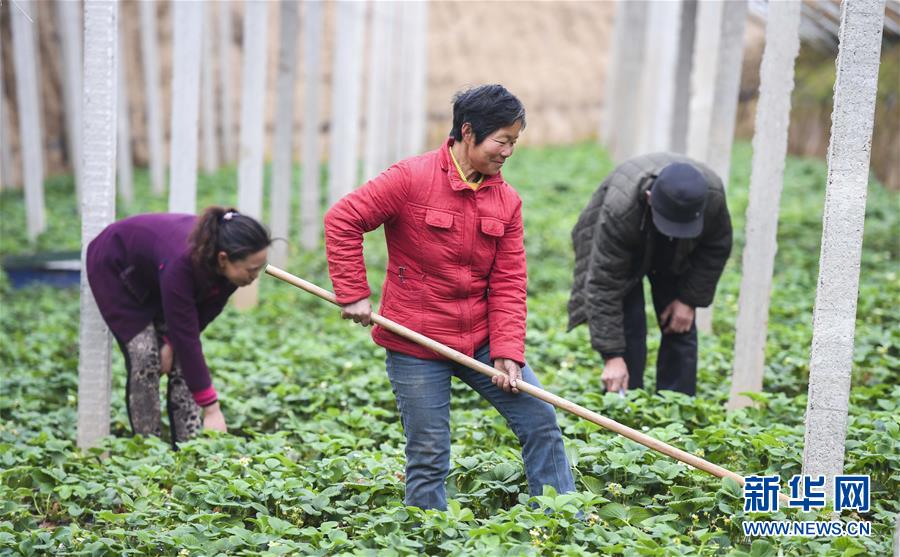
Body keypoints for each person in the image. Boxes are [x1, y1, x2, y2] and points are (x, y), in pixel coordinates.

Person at [324, 84, 575, 510]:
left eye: (515, 142)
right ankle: (427, 537)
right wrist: (352, 292)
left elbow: (510, 281)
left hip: (480, 337)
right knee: (429, 451)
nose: (508, 152)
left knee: (540, 421)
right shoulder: (410, 179)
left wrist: (508, 351)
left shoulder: (506, 201)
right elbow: (343, 219)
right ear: (468, 131)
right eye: (502, 140)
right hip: (415, 340)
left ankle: (560, 518)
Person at [86, 207, 270, 446]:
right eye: (252, 269)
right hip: (116, 265)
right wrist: (212, 409)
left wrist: (170, 343)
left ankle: (189, 446)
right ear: (224, 258)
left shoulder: (231, 271)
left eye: (260, 267)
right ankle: (147, 448)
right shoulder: (182, 263)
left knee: (182, 361)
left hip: (155, 273)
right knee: (145, 357)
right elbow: (187, 335)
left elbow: (200, 316)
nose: (255, 276)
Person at [567, 153, 733, 396]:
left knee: (680, 325)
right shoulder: (619, 210)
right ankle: (625, 402)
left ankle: (677, 406)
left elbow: (716, 248)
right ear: (649, 197)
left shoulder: (712, 197)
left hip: (679, 250)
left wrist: (688, 299)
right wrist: (613, 355)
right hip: (629, 237)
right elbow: (604, 285)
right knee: (629, 324)